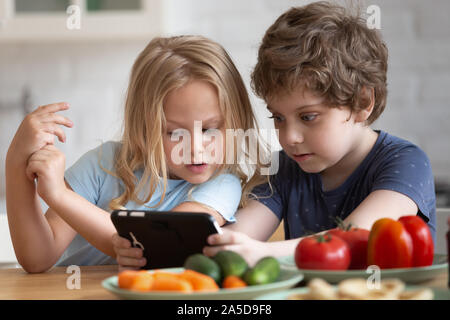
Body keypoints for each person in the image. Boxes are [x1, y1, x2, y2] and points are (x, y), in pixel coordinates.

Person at [113, 2, 437, 268]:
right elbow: (235, 239)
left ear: (363, 102)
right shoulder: (284, 171)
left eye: (308, 117)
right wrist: (157, 247)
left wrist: (265, 253)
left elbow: (357, 237)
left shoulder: (405, 162)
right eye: (278, 118)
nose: (290, 136)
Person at [5, 35, 268, 273]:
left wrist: (59, 195)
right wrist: (16, 162)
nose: (196, 148)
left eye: (210, 129)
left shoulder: (222, 183)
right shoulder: (103, 164)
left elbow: (157, 244)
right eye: (175, 133)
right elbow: (36, 258)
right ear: (144, 128)